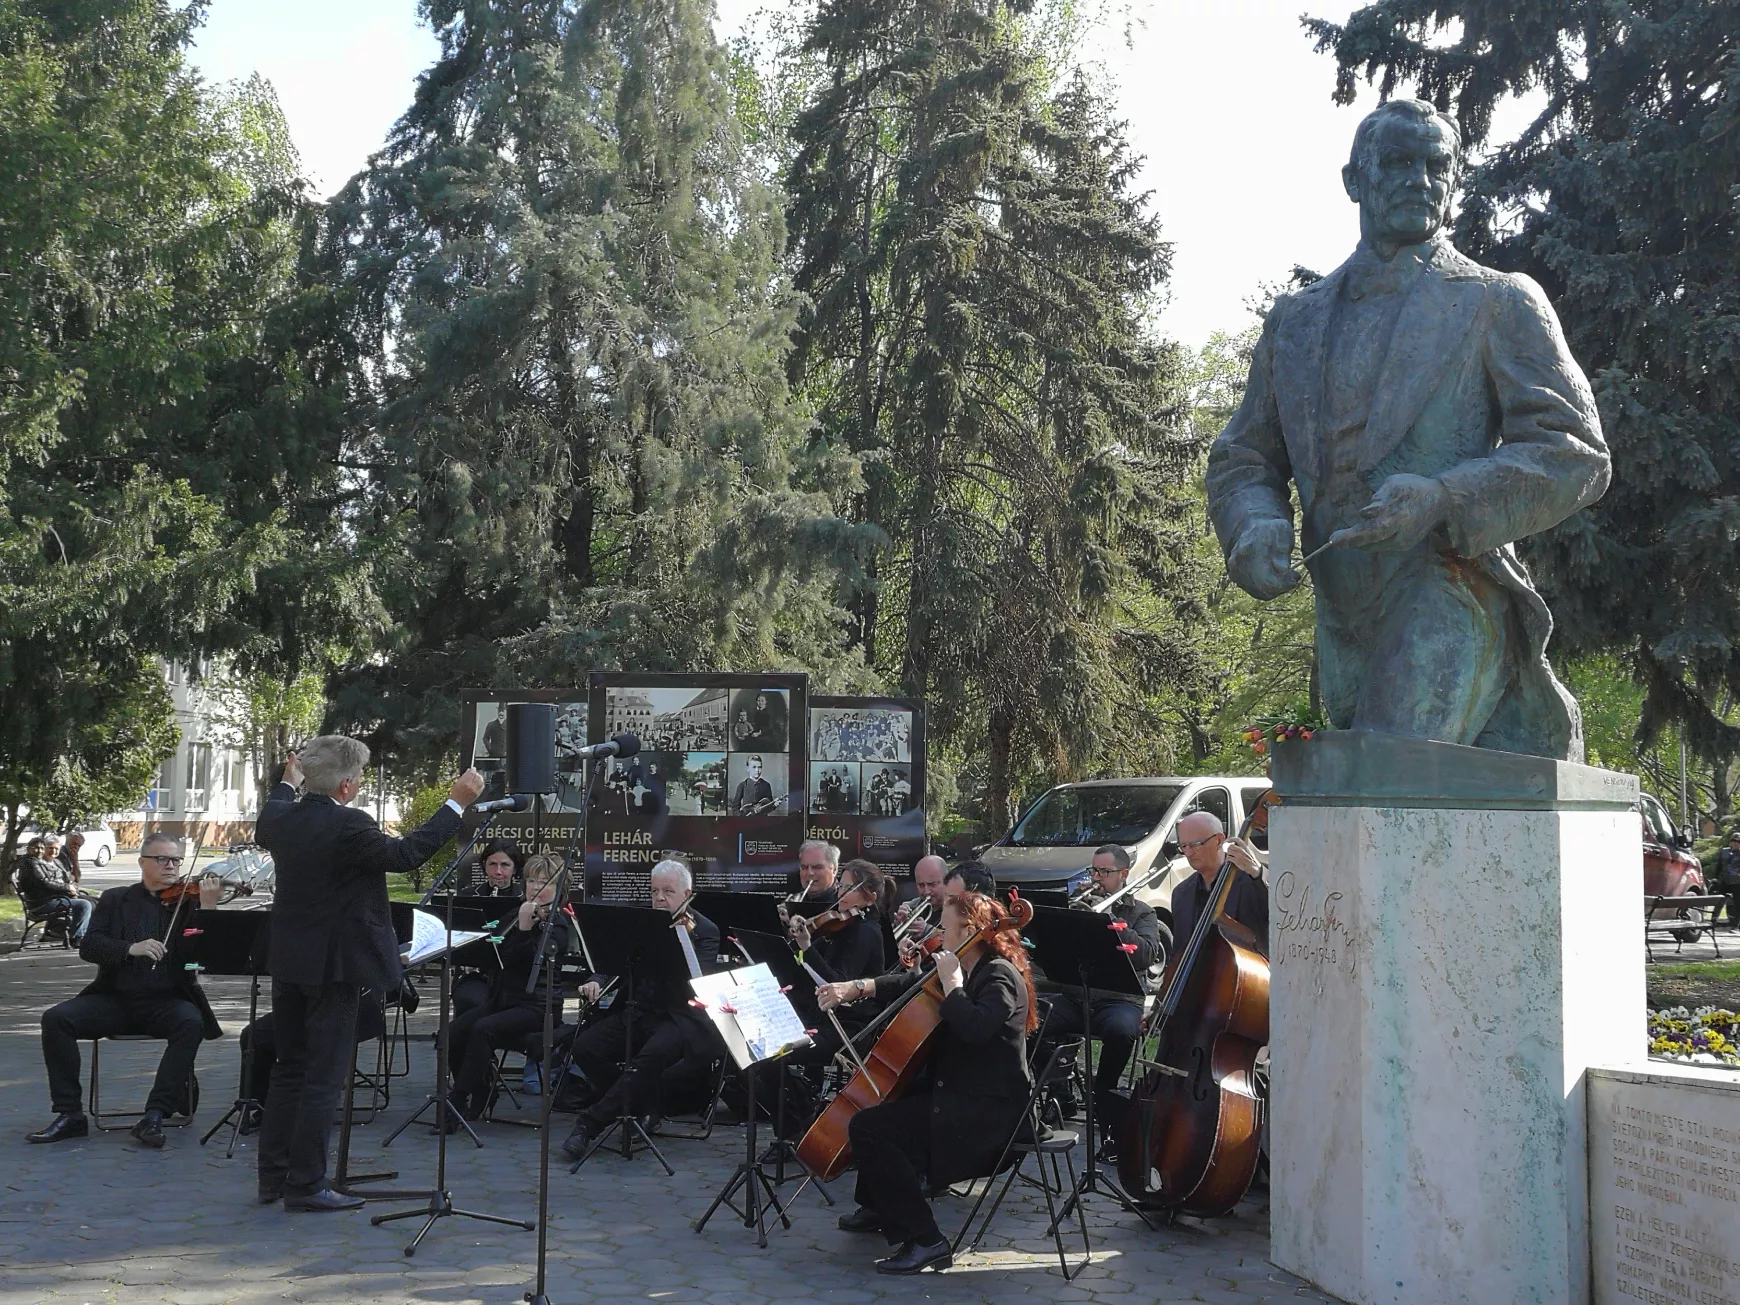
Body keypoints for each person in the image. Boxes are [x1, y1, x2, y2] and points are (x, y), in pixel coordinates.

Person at [1206, 99, 1610, 762]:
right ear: (1354, 180)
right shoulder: (1295, 321)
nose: (1418, 179)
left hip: (1450, 586)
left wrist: (1444, 496)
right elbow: (1245, 455)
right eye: (1397, 163)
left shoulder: (1498, 300)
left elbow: (1577, 452)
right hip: (1343, 608)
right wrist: (1253, 524)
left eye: (1435, 165)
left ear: (1453, 184)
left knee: (1386, 769)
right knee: (1362, 793)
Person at [254, 736, 481, 1212]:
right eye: (356, 778)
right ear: (345, 786)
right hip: (334, 967)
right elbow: (406, 856)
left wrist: (289, 782)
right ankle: (307, 1185)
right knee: (323, 1076)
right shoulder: (349, 824)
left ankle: (273, 1177)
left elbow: (277, 805)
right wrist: (455, 805)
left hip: (288, 961)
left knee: (289, 1068)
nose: (358, 785)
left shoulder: (279, 818)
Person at [816, 891, 1037, 1274]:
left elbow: (976, 1028)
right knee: (882, 1110)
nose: (938, 933)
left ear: (970, 930)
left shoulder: (998, 973)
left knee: (870, 1127)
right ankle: (879, 1205)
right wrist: (860, 987)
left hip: (986, 1113)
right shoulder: (970, 967)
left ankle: (925, 1240)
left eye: (945, 927)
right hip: (959, 1094)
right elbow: (911, 987)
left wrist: (953, 985)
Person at [28, 832, 222, 1147]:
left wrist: (208, 914)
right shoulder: (116, 899)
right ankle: (70, 1115)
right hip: (114, 1001)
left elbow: (200, 961)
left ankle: (155, 1114)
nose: (170, 866)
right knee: (56, 1019)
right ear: (142, 862)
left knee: (191, 1022)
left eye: (175, 860)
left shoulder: (190, 906)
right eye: (162, 859)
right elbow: (89, 946)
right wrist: (131, 948)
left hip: (167, 1001)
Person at [560, 860, 724, 1159]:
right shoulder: (642, 920)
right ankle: (643, 1104)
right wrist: (597, 978)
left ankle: (590, 1124)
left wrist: (679, 942)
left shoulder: (705, 929)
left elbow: (698, 984)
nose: (659, 898)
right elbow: (613, 959)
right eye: (654, 891)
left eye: (668, 892)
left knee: (649, 1057)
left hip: (680, 1017)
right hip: (640, 1008)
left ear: (686, 894)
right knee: (585, 1047)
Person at [1035, 844, 1166, 1121]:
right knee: (1028, 1021)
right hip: (1075, 997)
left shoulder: (1142, 913)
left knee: (1122, 1031)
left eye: (1104, 872)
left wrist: (1112, 920)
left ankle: (1102, 1094)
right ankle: (1061, 1093)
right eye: (1094, 870)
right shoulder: (1078, 906)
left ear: (1123, 874)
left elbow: (1146, 955)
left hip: (1120, 999)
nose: (1096, 877)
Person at [444, 854, 567, 1127]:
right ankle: (482, 1088)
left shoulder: (556, 924)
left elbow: (524, 962)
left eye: (545, 882)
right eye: (531, 880)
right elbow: (494, 939)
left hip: (537, 1007)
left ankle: (457, 1099)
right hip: (503, 1000)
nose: (535, 887)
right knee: (451, 1033)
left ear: (558, 888)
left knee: (482, 1029)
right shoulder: (518, 911)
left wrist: (525, 929)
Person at [1168, 811, 1268, 952]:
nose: (1189, 853)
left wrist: (1257, 873)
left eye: (1196, 844)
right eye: (1184, 846)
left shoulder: (1251, 880)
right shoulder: (1181, 893)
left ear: (1219, 840)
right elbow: (1178, 952)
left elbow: (1283, 912)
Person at [789, 860, 887, 985]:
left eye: (850, 888)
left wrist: (806, 946)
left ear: (870, 899)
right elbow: (805, 955)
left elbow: (838, 983)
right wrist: (799, 934)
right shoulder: (840, 923)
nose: (841, 893)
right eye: (841, 886)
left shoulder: (866, 931)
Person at [17, 834, 94, 942]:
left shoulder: (54, 862)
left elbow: (70, 878)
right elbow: (44, 882)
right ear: (29, 849)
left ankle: (67, 932)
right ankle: (76, 937)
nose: (39, 851)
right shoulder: (31, 862)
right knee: (84, 905)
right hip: (42, 902)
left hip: (53, 897)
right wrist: (67, 888)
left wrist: (71, 887)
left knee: (92, 901)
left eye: (56, 848)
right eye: (50, 848)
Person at [460, 840, 525, 899]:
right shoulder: (468, 895)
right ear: (485, 866)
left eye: (504, 865)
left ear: (515, 869)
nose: (498, 871)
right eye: (493, 864)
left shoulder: (525, 896)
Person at [1717, 831, 1740, 928]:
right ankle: (1715, 919)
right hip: (1724, 880)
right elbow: (1719, 866)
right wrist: (1716, 877)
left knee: (1737, 902)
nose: (1735, 843)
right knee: (1719, 900)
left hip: (1737, 881)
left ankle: (1736, 922)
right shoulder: (1724, 851)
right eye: (1733, 841)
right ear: (1730, 841)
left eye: (1738, 842)